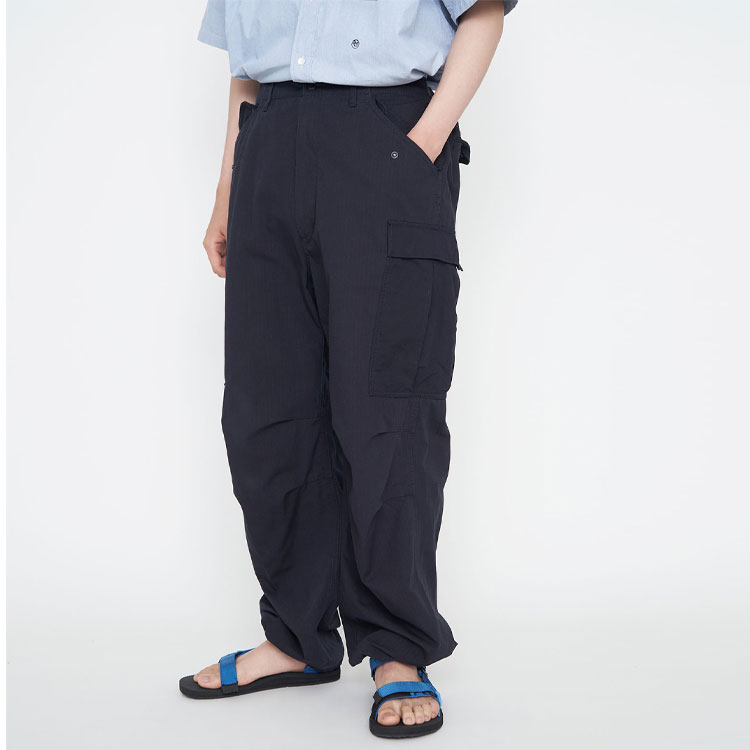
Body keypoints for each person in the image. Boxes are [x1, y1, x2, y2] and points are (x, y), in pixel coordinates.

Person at [180, 0, 517, 739]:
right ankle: (297, 637)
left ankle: (398, 647)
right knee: (268, 412)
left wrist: (420, 145)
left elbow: (483, 11)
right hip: (269, 146)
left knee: (387, 409)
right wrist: (229, 187)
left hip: (384, 138)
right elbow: (244, 67)